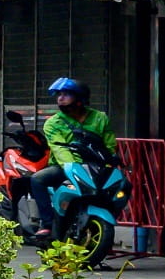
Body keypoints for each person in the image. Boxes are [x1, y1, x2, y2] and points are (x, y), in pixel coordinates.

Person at [30, 76, 116, 232]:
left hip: (95, 166)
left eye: (66, 94)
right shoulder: (53, 123)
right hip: (66, 167)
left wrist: (110, 162)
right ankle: (47, 224)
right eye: (59, 95)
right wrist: (73, 168)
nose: (60, 99)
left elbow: (109, 145)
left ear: (80, 98)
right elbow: (59, 149)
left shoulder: (99, 118)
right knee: (37, 179)